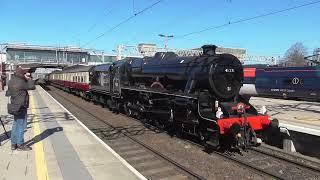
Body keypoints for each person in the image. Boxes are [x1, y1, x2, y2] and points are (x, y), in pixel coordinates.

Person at [6, 67, 35, 151]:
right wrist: (28, 78)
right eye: (24, 74)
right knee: (21, 125)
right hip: (21, 106)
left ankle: (13, 144)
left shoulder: (11, 81)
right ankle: (20, 144)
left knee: (15, 124)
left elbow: (8, 93)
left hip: (14, 105)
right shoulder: (21, 82)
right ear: (21, 74)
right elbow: (32, 86)